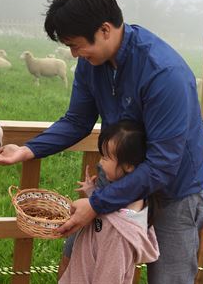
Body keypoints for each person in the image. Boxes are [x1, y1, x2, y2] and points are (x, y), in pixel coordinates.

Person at [0, 0, 203, 284]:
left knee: (170, 277)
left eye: (76, 45)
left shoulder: (163, 74)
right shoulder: (93, 63)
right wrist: (27, 149)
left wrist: (96, 204)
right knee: (80, 258)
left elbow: (163, 165)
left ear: (105, 30)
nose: (74, 54)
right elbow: (77, 120)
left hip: (174, 191)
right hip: (117, 175)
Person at [59, 120, 159, 284]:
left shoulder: (119, 235)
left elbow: (109, 277)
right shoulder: (117, 199)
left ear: (128, 166)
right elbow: (105, 212)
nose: (99, 162)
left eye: (106, 157)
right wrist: (92, 192)